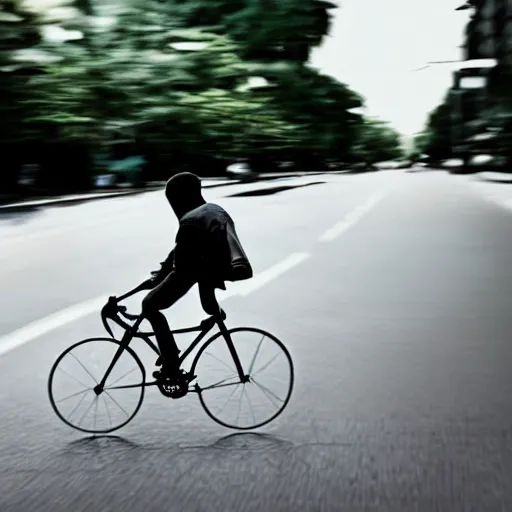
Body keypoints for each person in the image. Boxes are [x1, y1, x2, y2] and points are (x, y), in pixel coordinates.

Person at [140, 172, 252, 387]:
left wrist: (159, 279)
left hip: (197, 268)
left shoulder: (189, 220)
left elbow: (181, 261)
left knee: (149, 305)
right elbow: (179, 251)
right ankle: (214, 314)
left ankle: (171, 363)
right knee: (209, 307)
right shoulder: (214, 209)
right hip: (215, 266)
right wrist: (162, 272)